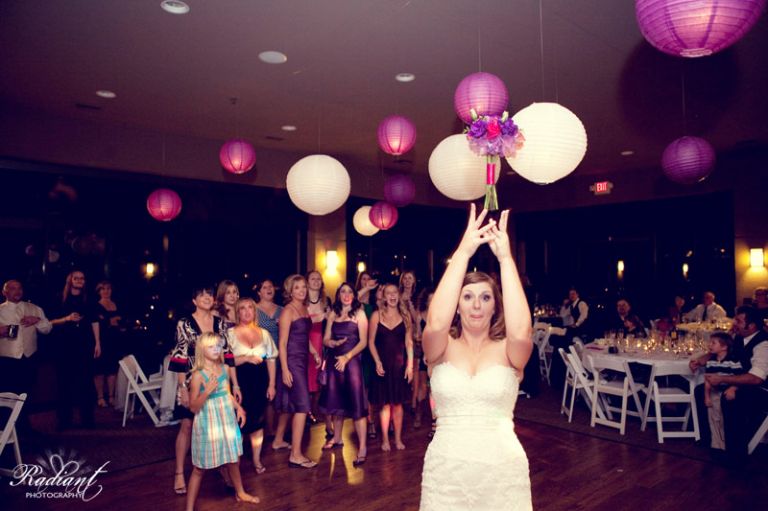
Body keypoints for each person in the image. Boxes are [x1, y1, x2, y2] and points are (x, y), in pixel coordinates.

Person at [421, 205, 533, 510]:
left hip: (502, 472)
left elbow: (521, 331)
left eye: (485, 297)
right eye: (467, 297)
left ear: (496, 306)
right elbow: (435, 323)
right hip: (446, 474)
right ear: (456, 305)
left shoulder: (509, 351)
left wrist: (506, 259)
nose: (476, 306)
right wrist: (463, 252)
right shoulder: (440, 348)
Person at [169, 285, 240, 496]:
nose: (207, 298)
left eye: (209, 294)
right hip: (192, 380)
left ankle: (223, 469)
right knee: (187, 425)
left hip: (216, 380)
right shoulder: (185, 323)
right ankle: (179, 473)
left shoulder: (220, 323)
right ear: (194, 301)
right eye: (201, 295)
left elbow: (228, 355)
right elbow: (179, 355)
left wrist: (234, 384)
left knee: (219, 426)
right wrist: (182, 387)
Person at [185, 332, 259, 510]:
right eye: (211, 346)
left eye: (218, 346)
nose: (216, 349)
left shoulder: (225, 368)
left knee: (233, 460)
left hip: (226, 418)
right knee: (199, 468)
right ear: (202, 349)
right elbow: (193, 407)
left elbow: (226, 394)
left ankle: (240, 492)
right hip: (208, 421)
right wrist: (206, 391)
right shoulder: (197, 375)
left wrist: (239, 408)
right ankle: (189, 507)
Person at [691, 306, 768, 463]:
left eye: (738, 321)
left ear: (751, 326)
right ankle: (712, 440)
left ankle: (735, 452)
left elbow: (757, 378)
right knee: (700, 391)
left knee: (730, 399)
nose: (734, 323)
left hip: (760, 389)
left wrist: (723, 379)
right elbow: (717, 352)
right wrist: (699, 361)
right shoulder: (738, 337)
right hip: (737, 380)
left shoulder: (763, 344)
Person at [272, 274, 322, 468]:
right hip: (292, 362)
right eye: (297, 288)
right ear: (290, 291)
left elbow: (303, 336)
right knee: (302, 406)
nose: (301, 290)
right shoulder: (287, 311)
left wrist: (314, 352)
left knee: (295, 404)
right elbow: (282, 343)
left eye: (303, 287)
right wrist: (285, 369)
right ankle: (295, 454)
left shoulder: (304, 308)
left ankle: (281, 442)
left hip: (303, 361)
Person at [318, 282, 369, 465]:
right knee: (336, 402)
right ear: (338, 295)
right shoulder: (333, 313)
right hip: (334, 362)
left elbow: (363, 342)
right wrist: (331, 343)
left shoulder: (360, 313)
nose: (346, 295)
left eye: (349, 292)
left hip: (351, 362)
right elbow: (325, 339)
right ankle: (338, 438)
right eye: (342, 292)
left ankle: (362, 447)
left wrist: (347, 357)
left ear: (354, 295)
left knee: (356, 405)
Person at [229, 298, 278, 474]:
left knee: (258, 421)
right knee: (238, 423)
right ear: (237, 312)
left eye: (250, 307)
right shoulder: (230, 334)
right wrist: (245, 358)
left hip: (260, 381)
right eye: (242, 308)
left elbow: (271, 359)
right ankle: (235, 463)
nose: (247, 311)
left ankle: (256, 460)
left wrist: (271, 385)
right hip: (240, 382)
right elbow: (225, 362)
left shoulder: (264, 333)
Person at [50, 270, 101, 430]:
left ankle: (87, 419)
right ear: (70, 280)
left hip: (84, 344)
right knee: (64, 383)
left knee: (86, 382)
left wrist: (97, 343)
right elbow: (49, 322)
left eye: (82, 278)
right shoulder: (60, 298)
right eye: (76, 278)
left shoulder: (89, 299)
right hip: (64, 345)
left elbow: (94, 321)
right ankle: (64, 420)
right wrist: (67, 318)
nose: (80, 280)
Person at [0, 279, 52, 431]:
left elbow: (47, 329)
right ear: (4, 292)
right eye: (13, 288)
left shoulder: (34, 308)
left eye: (19, 288)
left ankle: (24, 428)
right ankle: (6, 429)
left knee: (26, 393)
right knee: (7, 395)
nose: (17, 291)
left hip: (29, 358)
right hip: (7, 359)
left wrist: (37, 320)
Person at [368, 283, 414, 451]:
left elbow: (409, 343)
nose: (392, 295)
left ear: (399, 295)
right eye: (389, 293)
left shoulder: (406, 316)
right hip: (383, 366)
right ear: (384, 297)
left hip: (399, 367)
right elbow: (370, 342)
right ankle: (386, 440)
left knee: (398, 404)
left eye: (395, 292)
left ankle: (398, 439)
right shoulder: (376, 315)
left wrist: (410, 365)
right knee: (385, 405)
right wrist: (377, 361)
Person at [702, 332, 744, 452]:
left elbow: (739, 377)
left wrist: (732, 388)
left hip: (725, 392)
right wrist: (707, 397)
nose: (710, 345)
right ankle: (716, 445)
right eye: (710, 342)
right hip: (714, 392)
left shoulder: (733, 361)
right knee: (713, 418)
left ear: (724, 346)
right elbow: (708, 380)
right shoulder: (711, 361)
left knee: (723, 419)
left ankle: (726, 445)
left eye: (713, 343)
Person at [93, 281, 124, 408]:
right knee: (100, 370)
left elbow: (122, 321)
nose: (106, 291)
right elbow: (97, 323)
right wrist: (110, 321)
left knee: (112, 369)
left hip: (115, 340)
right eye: (103, 289)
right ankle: (100, 397)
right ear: (99, 291)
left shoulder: (116, 304)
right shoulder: (96, 306)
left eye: (108, 288)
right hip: (102, 340)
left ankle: (111, 397)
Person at [306, 270, 329, 424]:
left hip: (322, 344)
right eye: (313, 279)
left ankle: (314, 410)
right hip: (306, 344)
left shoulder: (326, 302)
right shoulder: (301, 302)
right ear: (307, 282)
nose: (316, 281)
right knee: (306, 380)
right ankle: (306, 412)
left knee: (319, 380)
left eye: (319, 279)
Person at [411, 288, 433, 429]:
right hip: (424, 352)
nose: (433, 302)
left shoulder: (442, 315)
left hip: (438, 353)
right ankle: (418, 413)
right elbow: (417, 335)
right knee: (422, 386)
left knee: (435, 387)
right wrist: (418, 337)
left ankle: (435, 420)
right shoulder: (420, 315)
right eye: (430, 299)